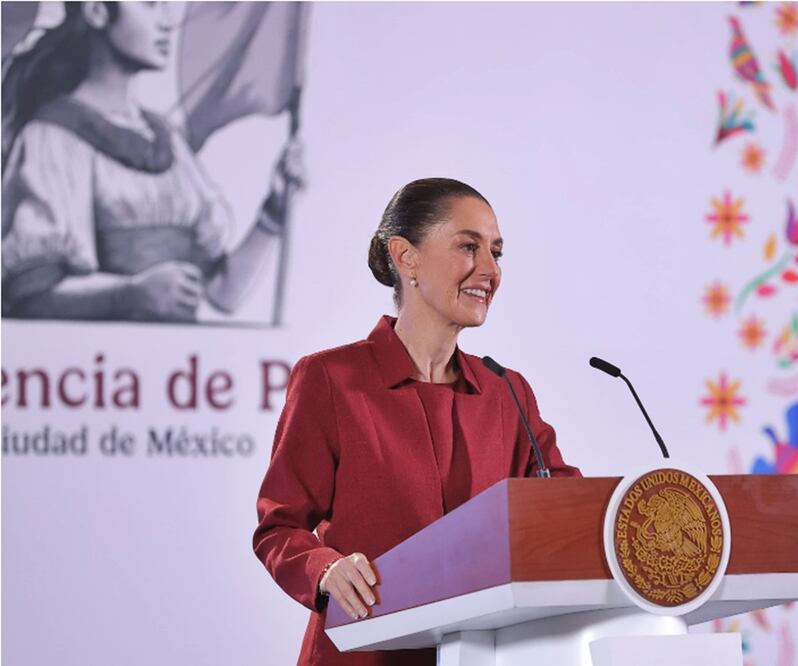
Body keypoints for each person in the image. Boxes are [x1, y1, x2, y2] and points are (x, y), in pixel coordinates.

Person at [253, 178, 580, 666]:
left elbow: (564, 508)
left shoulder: (505, 392)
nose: (490, 270)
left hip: (482, 654)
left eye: (496, 252)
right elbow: (279, 527)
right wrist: (326, 568)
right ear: (405, 257)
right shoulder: (330, 380)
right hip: (362, 653)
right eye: (469, 247)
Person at [1, 1, 303, 321]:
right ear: (97, 11)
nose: (167, 22)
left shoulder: (168, 140)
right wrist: (128, 294)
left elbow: (222, 293)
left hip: (180, 367)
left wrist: (273, 211)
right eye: (150, 4)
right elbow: (30, 296)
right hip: (98, 366)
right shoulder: (52, 138)